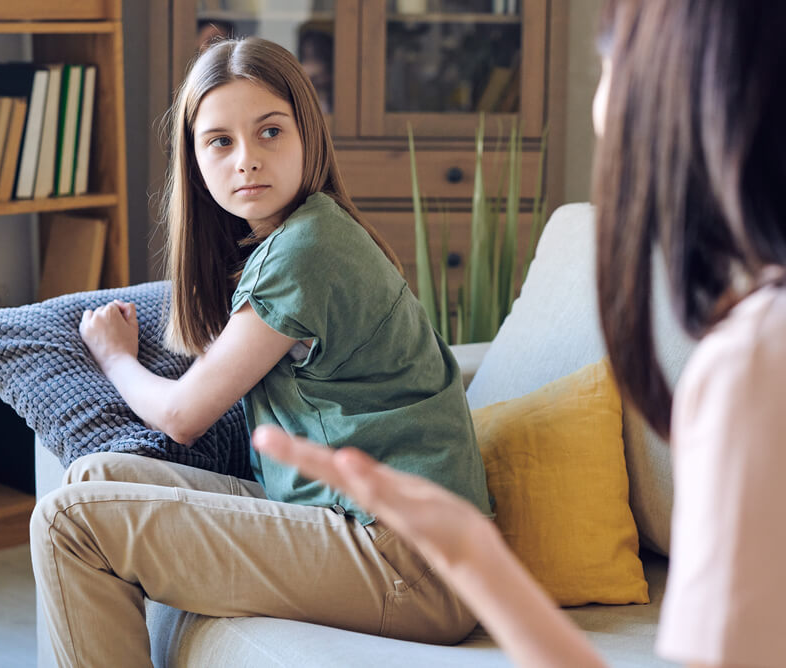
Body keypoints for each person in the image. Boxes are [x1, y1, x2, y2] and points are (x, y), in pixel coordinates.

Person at [254, 0, 786, 667]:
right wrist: (472, 552)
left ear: (683, 93)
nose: (601, 108)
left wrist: (475, 557)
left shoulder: (775, 362)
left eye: (611, 67)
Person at [30, 36, 493, 667]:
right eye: (219, 141)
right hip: (374, 532)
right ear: (194, 162)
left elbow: (183, 416)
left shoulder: (306, 252)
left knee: (71, 523)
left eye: (269, 132)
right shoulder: (299, 236)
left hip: (409, 562)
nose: (246, 159)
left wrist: (114, 356)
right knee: (93, 478)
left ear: (308, 136)